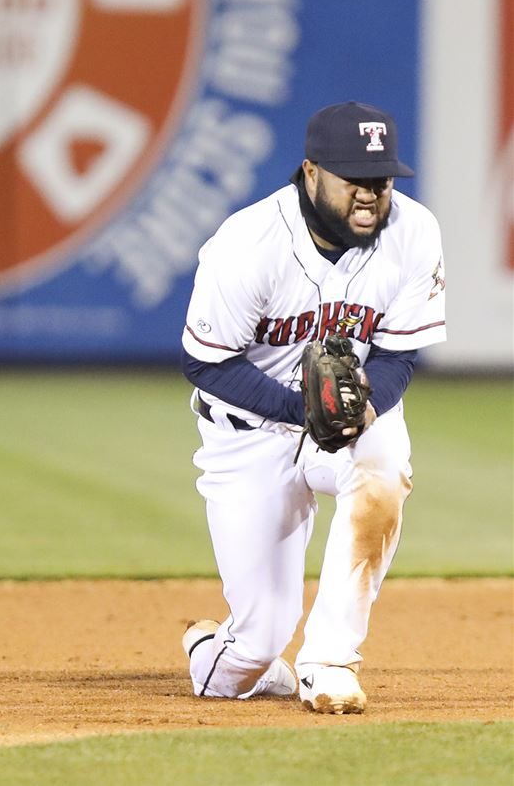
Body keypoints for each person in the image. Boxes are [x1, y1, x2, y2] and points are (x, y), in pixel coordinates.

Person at [178, 101, 447, 714]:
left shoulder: (414, 231)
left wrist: (362, 405)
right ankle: (217, 650)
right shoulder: (247, 244)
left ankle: (328, 661)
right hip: (250, 433)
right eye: (355, 178)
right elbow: (206, 361)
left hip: (350, 418)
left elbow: (399, 353)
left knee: (383, 468)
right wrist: (303, 411)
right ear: (311, 171)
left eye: (381, 180)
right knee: (253, 648)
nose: (370, 195)